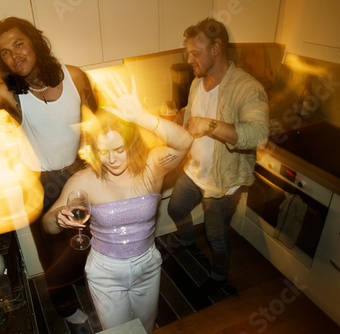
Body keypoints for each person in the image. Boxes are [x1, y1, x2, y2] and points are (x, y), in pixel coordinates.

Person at [0, 17, 97, 326]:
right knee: (52, 251)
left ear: (35, 42)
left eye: (19, 44)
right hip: (41, 181)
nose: (15, 56)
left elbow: (96, 119)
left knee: (87, 238)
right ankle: (64, 305)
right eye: (5, 52)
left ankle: (85, 282)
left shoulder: (76, 77)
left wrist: (96, 159)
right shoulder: (9, 94)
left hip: (77, 172)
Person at [43, 74, 193, 333]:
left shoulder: (152, 168)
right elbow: (48, 225)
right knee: (118, 331)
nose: (111, 160)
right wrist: (58, 216)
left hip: (147, 264)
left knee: (145, 326)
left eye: (119, 149)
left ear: (132, 144)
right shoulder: (85, 180)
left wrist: (142, 117)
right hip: (106, 272)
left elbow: (185, 142)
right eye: (103, 151)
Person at [167, 18, 269, 295]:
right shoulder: (198, 82)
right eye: (188, 52)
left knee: (216, 235)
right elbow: (192, 110)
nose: (190, 59)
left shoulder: (247, 88)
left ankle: (219, 277)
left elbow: (258, 134)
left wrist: (209, 125)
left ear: (216, 49)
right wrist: (179, 117)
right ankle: (188, 242)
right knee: (175, 209)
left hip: (223, 181)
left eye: (195, 52)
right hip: (194, 170)